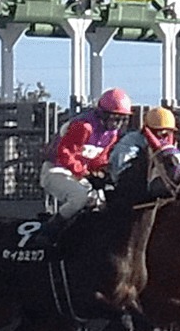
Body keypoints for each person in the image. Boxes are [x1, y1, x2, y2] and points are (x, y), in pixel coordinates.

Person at [36, 87, 131, 242]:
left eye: (122, 119)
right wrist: (86, 173)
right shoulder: (84, 126)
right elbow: (64, 154)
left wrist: (102, 174)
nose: (117, 124)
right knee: (79, 197)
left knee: (101, 202)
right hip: (55, 170)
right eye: (115, 118)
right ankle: (49, 229)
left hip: (77, 174)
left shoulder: (112, 134)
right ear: (103, 115)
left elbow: (98, 160)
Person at [109, 106, 179, 181]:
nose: (163, 137)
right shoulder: (131, 141)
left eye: (167, 133)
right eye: (160, 132)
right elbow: (118, 168)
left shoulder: (171, 146)